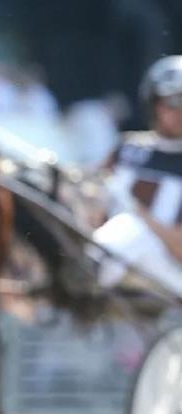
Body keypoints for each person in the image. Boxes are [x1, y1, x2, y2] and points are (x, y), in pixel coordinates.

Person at [91, 55, 182, 295]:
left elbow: (180, 249)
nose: (179, 110)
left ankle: (88, 274)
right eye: (173, 101)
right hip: (116, 259)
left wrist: (137, 213)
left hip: (171, 276)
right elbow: (91, 197)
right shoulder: (128, 147)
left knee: (130, 227)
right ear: (154, 103)